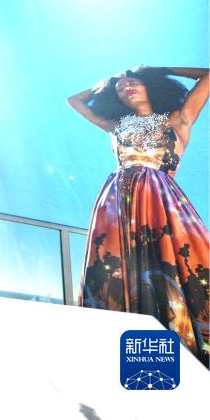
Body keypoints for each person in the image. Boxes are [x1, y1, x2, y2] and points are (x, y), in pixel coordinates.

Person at [67, 66, 208, 366]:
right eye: (120, 88)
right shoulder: (115, 125)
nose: (126, 87)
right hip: (116, 205)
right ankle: (124, 353)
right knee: (115, 272)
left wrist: (161, 70)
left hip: (160, 201)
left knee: (168, 265)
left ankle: (178, 348)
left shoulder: (178, 118)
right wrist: (107, 83)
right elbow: (74, 101)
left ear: (150, 86)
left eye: (133, 82)